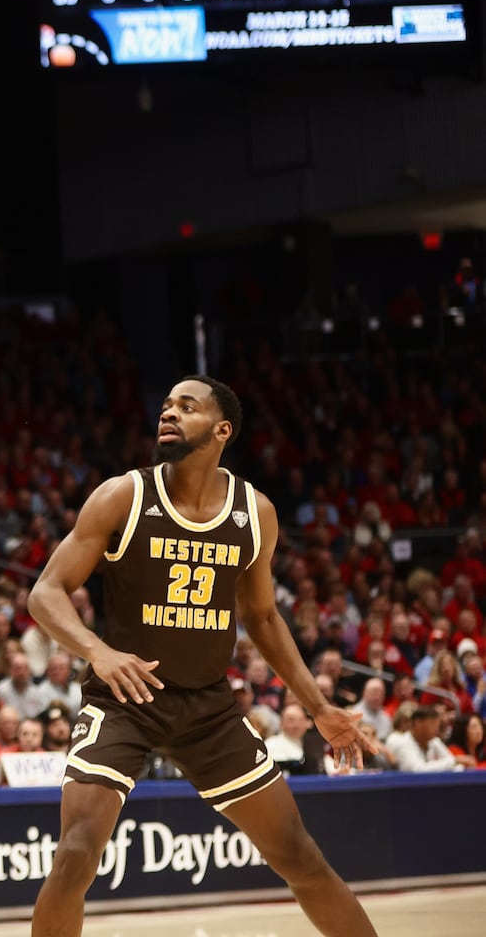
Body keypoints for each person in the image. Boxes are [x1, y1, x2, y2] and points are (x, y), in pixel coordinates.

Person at [25, 375, 379, 937]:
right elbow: (44, 593)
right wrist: (99, 652)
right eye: (165, 406)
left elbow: (262, 618)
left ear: (221, 430)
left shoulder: (254, 511)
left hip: (210, 707)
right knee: (75, 854)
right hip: (125, 701)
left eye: (186, 407)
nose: (168, 414)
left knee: (300, 855)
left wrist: (319, 707)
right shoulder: (124, 494)